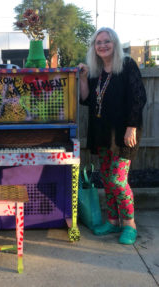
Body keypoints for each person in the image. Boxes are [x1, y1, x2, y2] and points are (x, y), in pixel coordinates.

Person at [78, 27, 147, 245]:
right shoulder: (97, 71)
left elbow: (139, 97)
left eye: (106, 41)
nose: (102, 45)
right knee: (107, 179)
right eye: (98, 42)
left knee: (117, 180)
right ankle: (113, 219)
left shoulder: (127, 65)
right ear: (94, 47)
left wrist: (131, 127)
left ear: (114, 43)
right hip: (102, 134)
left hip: (123, 134)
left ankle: (130, 224)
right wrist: (83, 78)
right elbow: (86, 100)